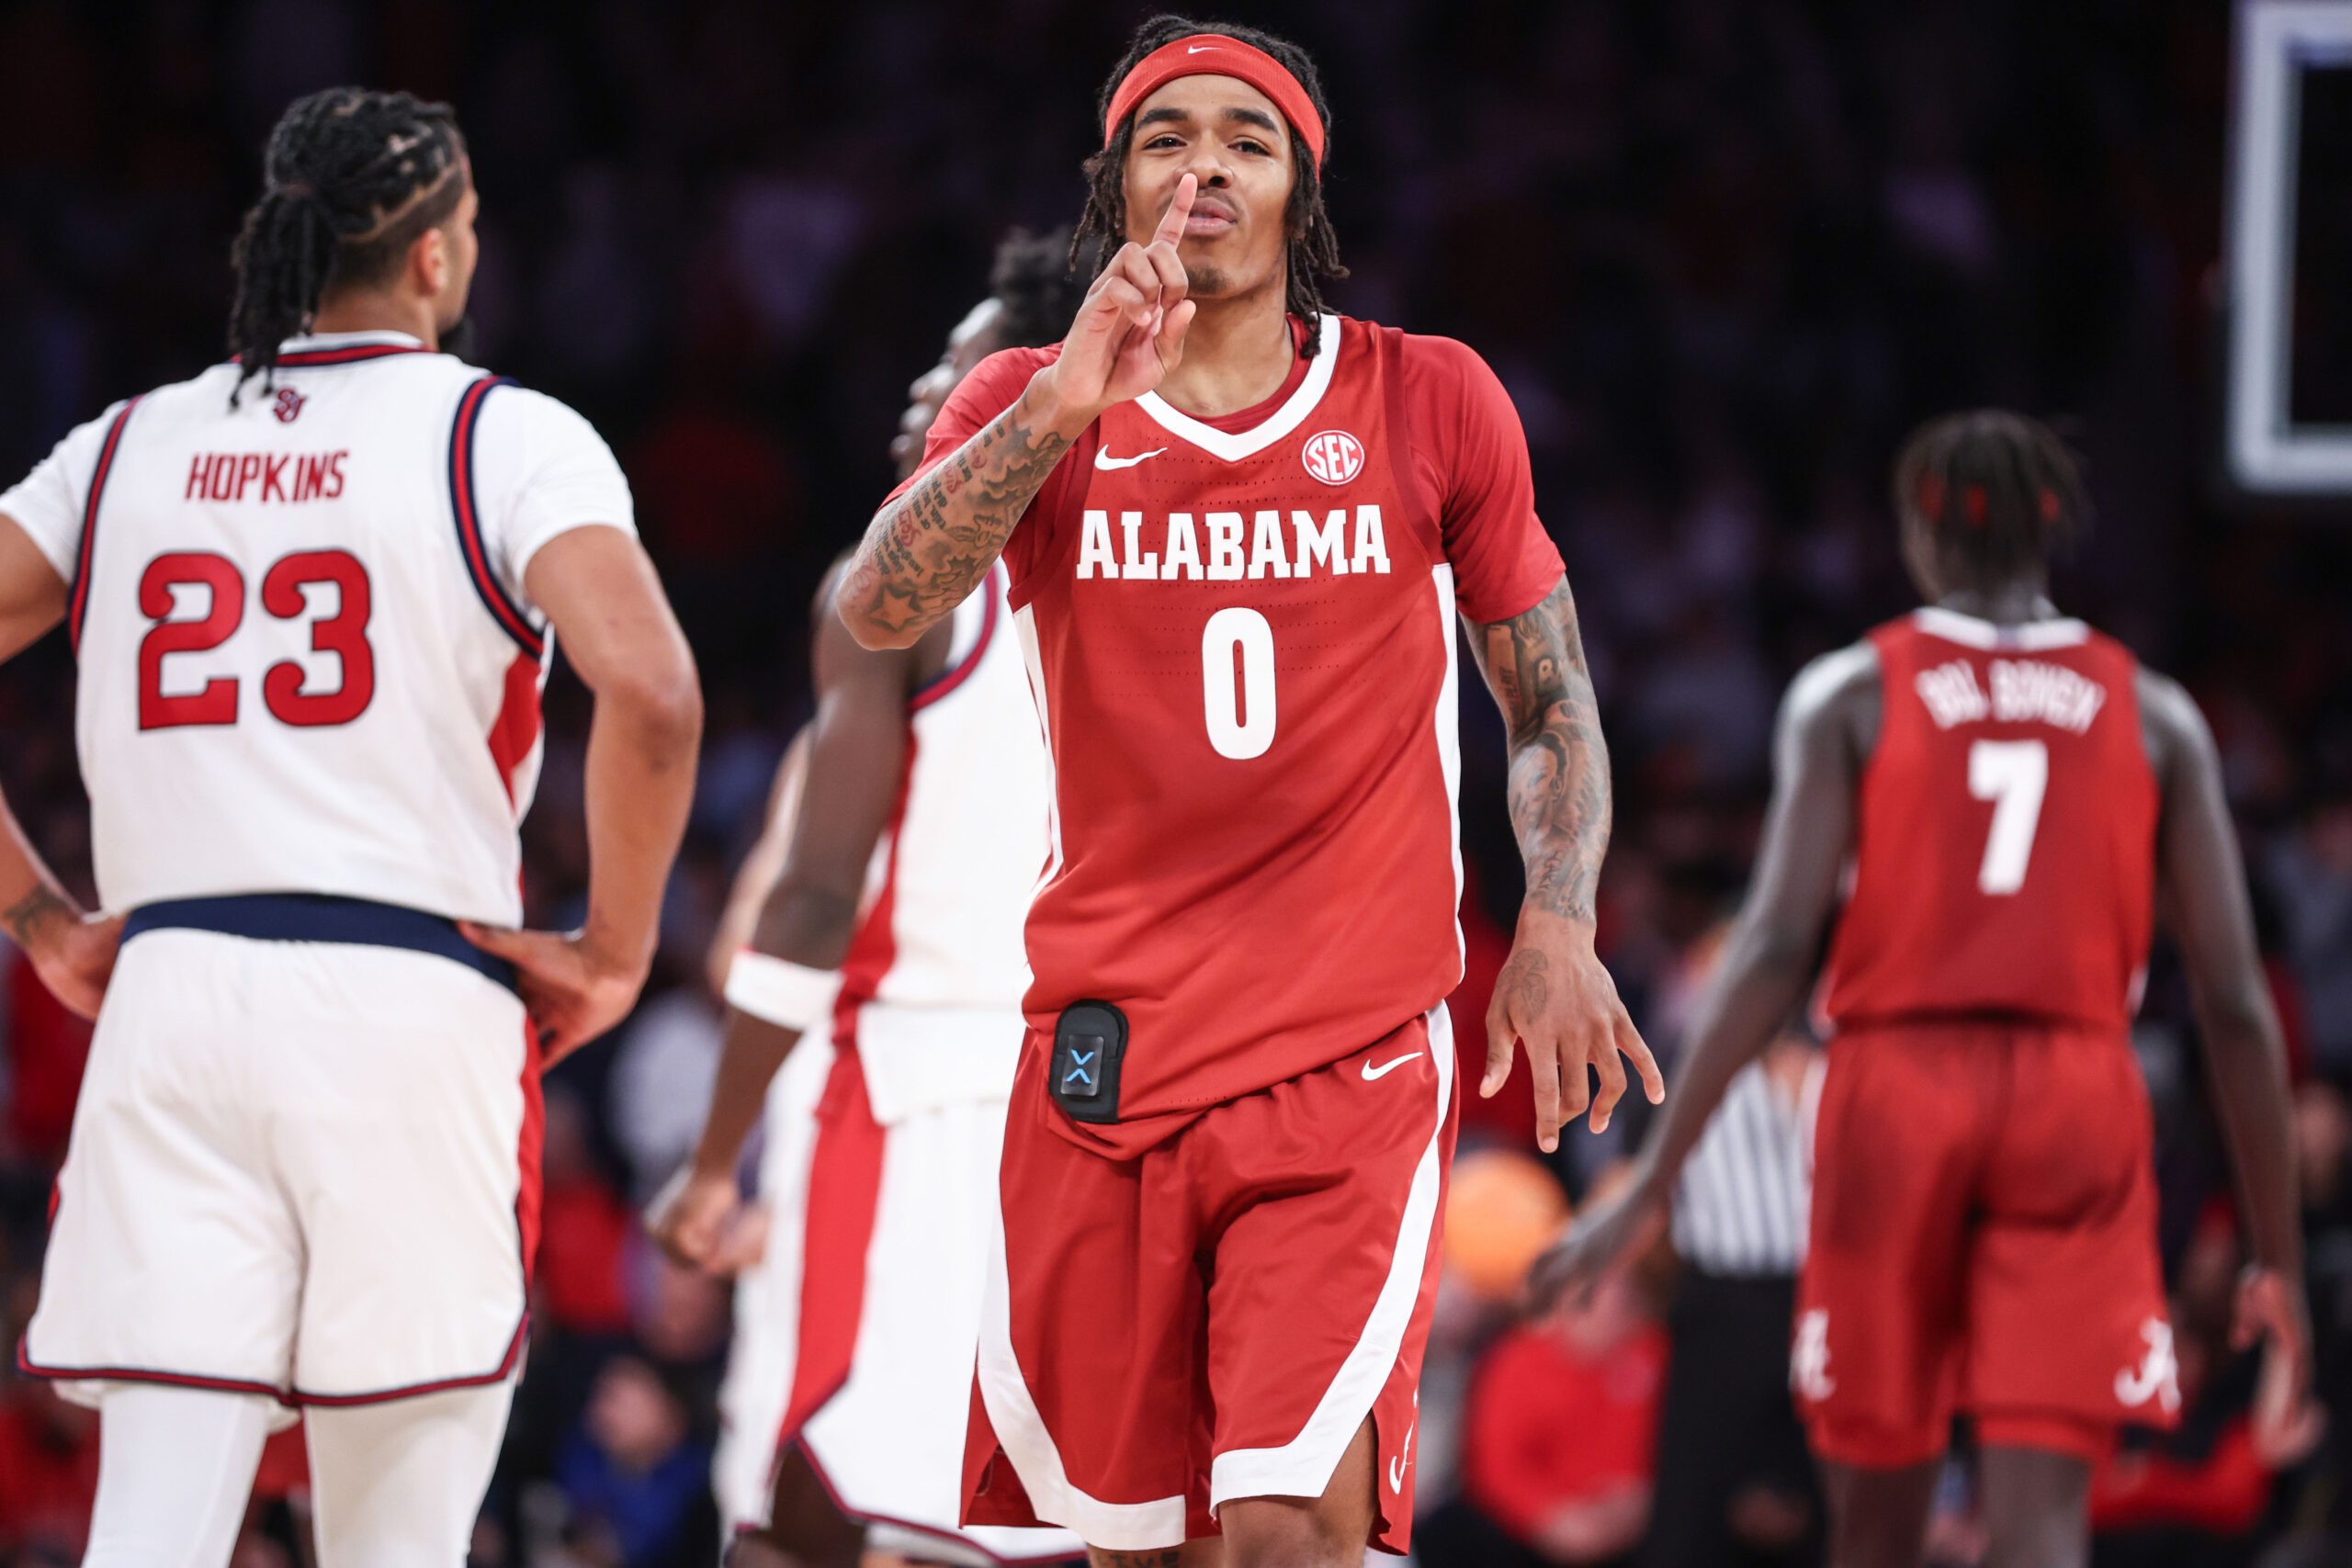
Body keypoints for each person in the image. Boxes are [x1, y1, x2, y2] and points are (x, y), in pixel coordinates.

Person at [836, 17, 1661, 1566]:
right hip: (1109, 1048)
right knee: (1142, 1547)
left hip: (1342, 1050)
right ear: (1115, 182)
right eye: (1166, 135)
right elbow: (878, 605)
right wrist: (1060, 404)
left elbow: (1546, 692)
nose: (1204, 163)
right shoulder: (1031, 400)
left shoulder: (1427, 398)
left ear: (1300, 194)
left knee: (1288, 1525)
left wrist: (1557, 916)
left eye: (1246, 137)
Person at [0, 87, 700, 1566]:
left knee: (153, 1529)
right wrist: (619, 951)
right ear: (441, 257)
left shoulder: (126, 443)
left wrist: (35, 915)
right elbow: (650, 686)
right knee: (398, 1537)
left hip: (174, 1000)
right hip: (408, 999)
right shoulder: (505, 435)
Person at [1537, 410, 2312, 1568]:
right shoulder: (2155, 713)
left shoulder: (1851, 690)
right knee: (2042, 1532)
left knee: (1876, 1528)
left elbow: (1771, 949)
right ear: (2052, 527)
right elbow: (2237, 1007)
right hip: (2075, 1092)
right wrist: (2277, 1259)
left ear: (1917, 533)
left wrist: (1651, 1179)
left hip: (1897, 1089)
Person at [652, 231, 1088, 1568]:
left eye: (951, 366)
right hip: (1096, 1098)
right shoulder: (1191, 578)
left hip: (912, 1088)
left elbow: (807, 901)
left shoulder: (896, 588)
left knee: (807, 1500)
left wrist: (718, 1149)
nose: (918, 393)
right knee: (1037, 1518)